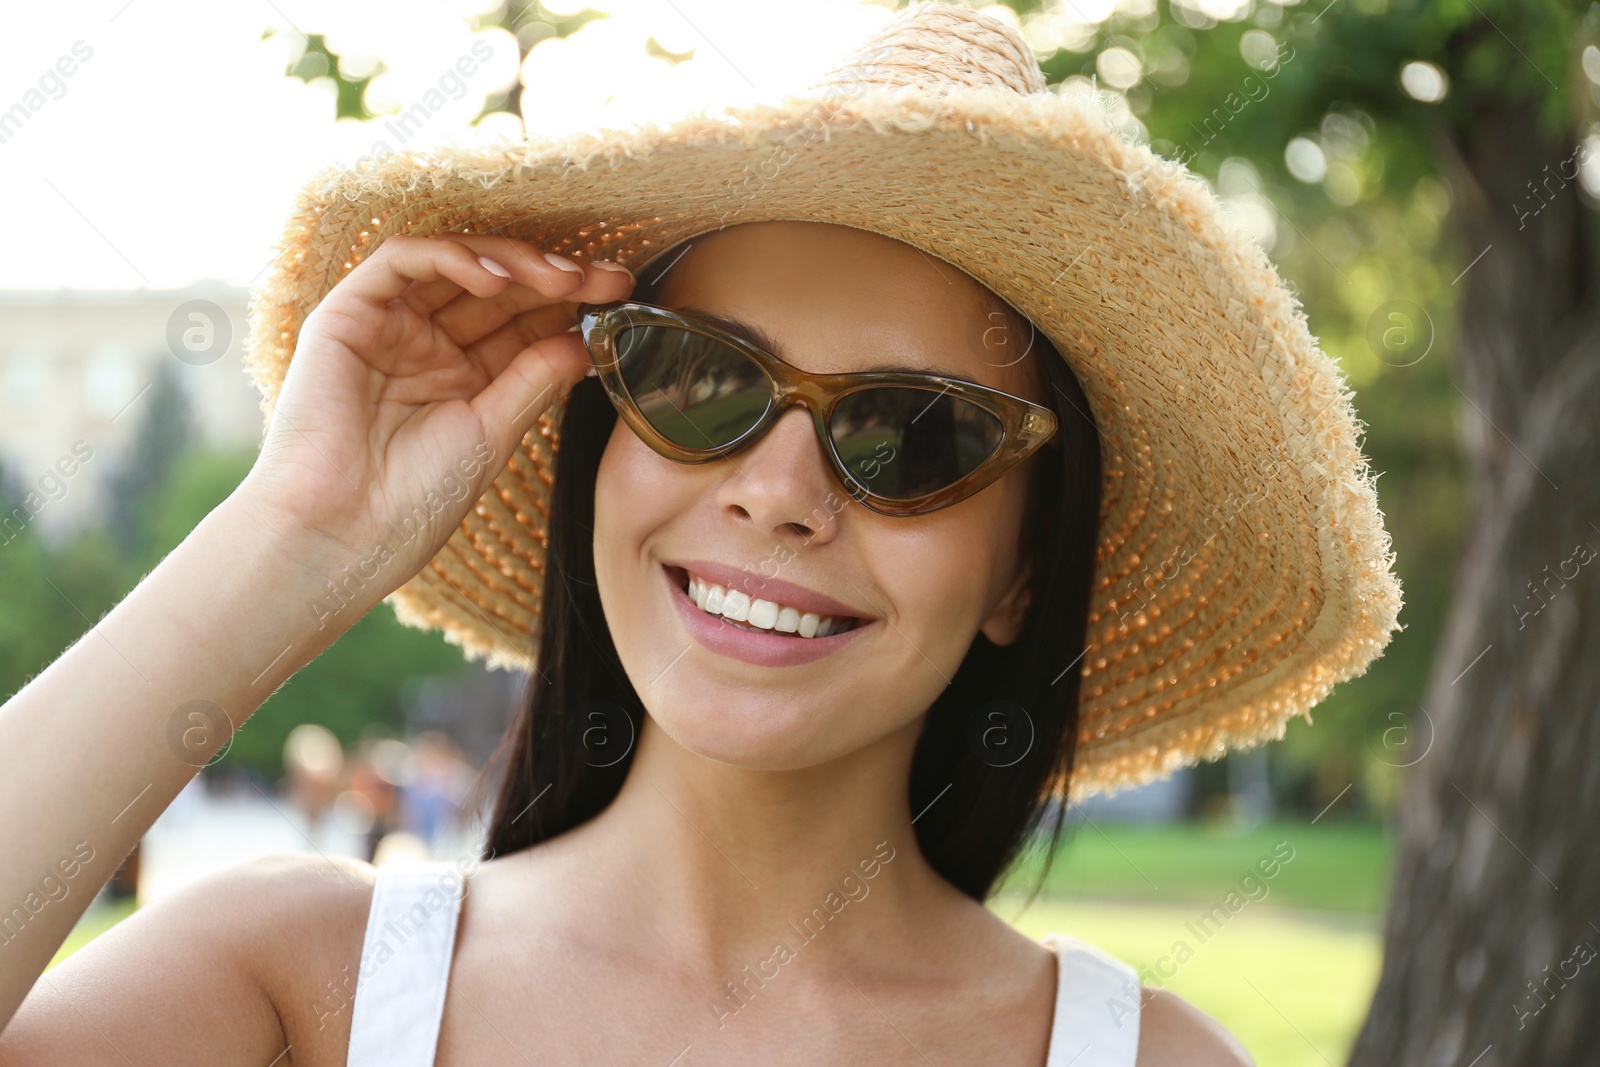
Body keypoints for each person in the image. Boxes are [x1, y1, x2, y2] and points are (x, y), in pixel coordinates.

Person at [0, 4, 1401, 1065]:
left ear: (1022, 572)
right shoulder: (302, 984)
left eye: (915, 435)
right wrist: (296, 537)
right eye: (698, 379)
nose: (778, 489)